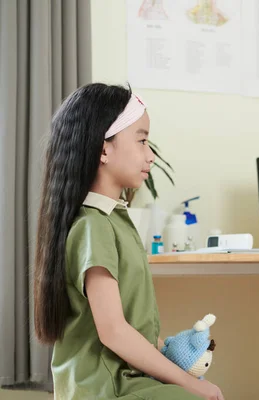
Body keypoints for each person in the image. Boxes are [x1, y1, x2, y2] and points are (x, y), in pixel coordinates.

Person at [33, 83, 225, 400]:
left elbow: (129, 325)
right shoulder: (94, 226)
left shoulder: (113, 221)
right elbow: (114, 332)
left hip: (123, 379)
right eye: (142, 141)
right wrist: (191, 384)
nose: (151, 156)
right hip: (106, 388)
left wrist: (169, 348)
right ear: (103, 149)